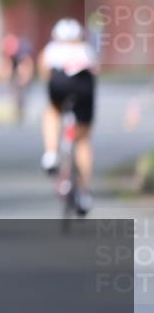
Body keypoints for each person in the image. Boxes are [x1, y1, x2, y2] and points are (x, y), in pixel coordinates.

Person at [38, 18, 99, 214]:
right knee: (83, 140)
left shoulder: (52, 49)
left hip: (59, 81)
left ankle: (51, 154)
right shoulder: (86, 49)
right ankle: (83, 191)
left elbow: (44, 72)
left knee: (52, 111)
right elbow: (96, 71)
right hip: (84, 85)